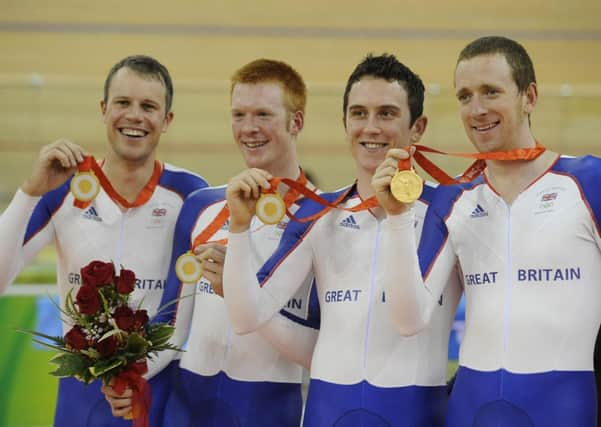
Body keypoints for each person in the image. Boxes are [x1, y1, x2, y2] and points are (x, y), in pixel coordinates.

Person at [223, 54, 461, 426]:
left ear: (417, 127)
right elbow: (244, 316)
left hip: (414, 413)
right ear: (345, 121)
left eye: (387, 113)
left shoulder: (449, 210)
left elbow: (410, 320)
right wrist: (238, 228)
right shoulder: (319, 213)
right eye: (359, 113)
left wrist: (398, 216)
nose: (371, 127)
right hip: (327, 412)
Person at [374, 35, 601, 426]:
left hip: (566, 408)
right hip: (473, 410)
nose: (476, 109)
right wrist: (396, 217)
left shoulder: (589, 182)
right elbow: (408, 320)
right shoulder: (453, 200)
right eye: (464, 96)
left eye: (491, 92)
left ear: (529, 96)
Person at [104, 58, 320, 426]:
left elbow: (325, 345)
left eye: (263, 114)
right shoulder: (202, 205)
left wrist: (241, 290)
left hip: (269, 408)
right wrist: (128, 374)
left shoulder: (323, 217)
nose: (248, 128)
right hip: (189, 404)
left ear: (296, 122)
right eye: (238, 115)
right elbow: (171, 320)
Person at [0, 55, 209, 427]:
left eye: (149, 106)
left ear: (167, 120)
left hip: (160, 393)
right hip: (81, 399)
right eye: (123, 103)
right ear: (103, 109)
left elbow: (191, 307)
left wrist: (135, 375)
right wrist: (30, 192)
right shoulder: (61, 187)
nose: (135, 116)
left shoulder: (190, 195)